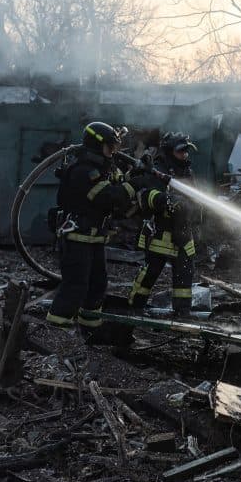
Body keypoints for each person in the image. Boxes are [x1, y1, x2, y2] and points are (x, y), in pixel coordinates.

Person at [46, 122, 139, 333]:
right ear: (97, 145)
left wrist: (137, 174)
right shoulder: (84, 171)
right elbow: (109, 197)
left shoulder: (101, 169)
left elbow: (119, 183)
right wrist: (136, 185)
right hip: (76, 236)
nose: (113, 152)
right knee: (76, 285)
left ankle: (90, 327)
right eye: (110, 147)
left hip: (94, 238)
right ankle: (56, 329)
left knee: (97, 284)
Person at [128, 131, 198, 316]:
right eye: (181, 151)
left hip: (184, 234)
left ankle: (182, 313)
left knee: (184, 276)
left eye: (186, 151)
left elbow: (194, 196)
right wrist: (166, 199)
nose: (185, 155)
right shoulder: (158, 170)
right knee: (150, 274)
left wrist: (189, 206)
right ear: (169, 151)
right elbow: (146, 196)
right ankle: (135, 307)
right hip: (161, 232)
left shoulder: (187, 171)